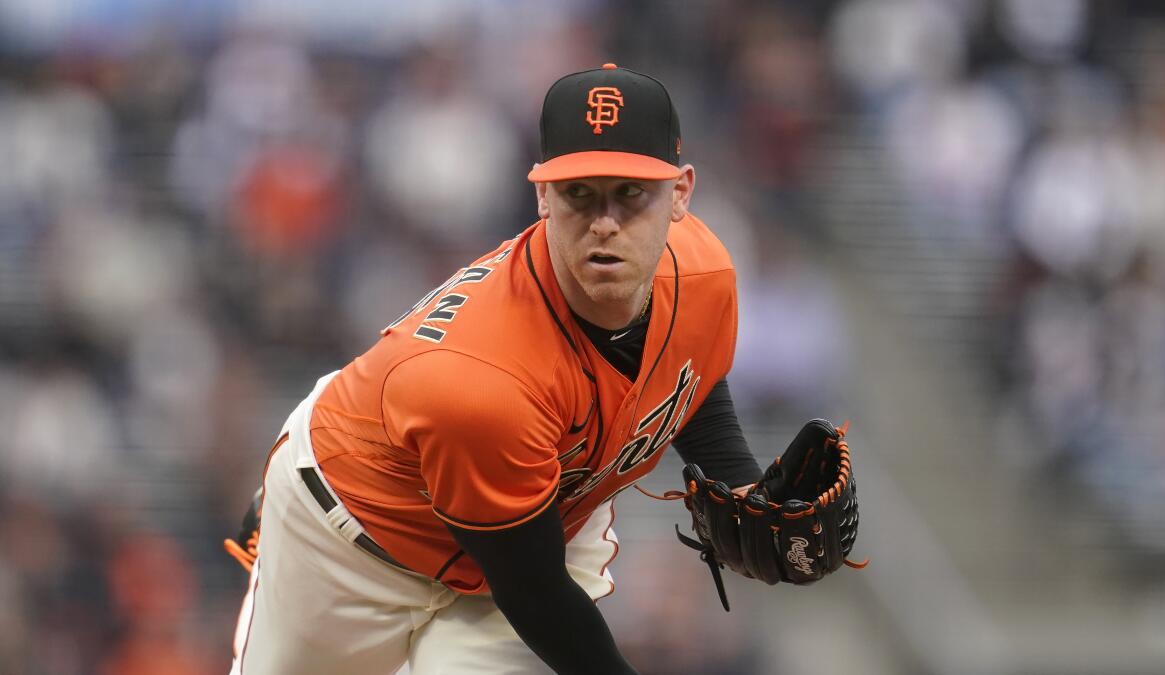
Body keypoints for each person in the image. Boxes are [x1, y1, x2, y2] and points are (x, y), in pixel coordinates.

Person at [225, 63, 763, 675]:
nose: (605, 222)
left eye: (631, 193)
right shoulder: (484, 382)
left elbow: (687, 364)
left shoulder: (703, 274)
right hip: (352, 542)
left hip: (536, 523)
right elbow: (534, 596)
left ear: (681, 195)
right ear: (540, 195)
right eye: (579, 194)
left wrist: (739, 479)